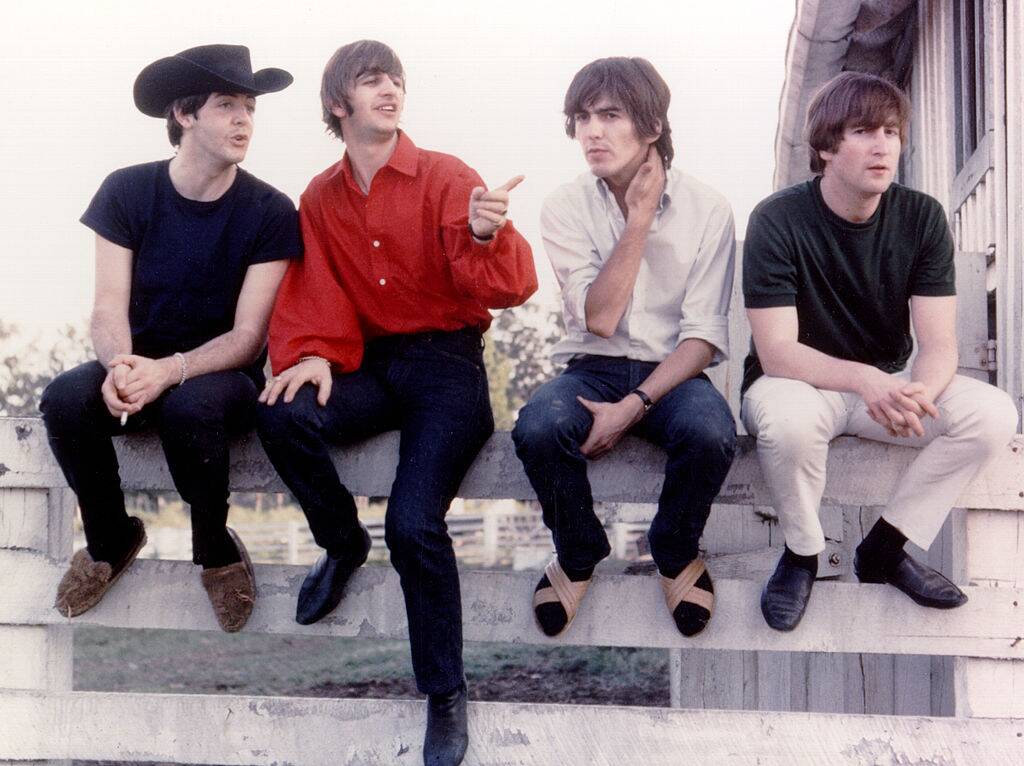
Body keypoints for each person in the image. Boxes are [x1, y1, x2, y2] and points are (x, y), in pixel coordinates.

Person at [255, 40, 536, 766]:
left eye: (396, 80)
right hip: (369, 365)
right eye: (371, 80)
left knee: (414, 526)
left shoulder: (447, 176)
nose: (389, 90)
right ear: (337, 105)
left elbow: (509, 289)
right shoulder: (319, 197)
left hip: (448, 368)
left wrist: (484, 232)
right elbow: (313, 289)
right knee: (280, 411)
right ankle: (341, 543)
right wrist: (313, 350)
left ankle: (444, 695)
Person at [741, 71, 1019, 632]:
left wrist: (922, 390)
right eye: (864, 130)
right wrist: (868, 380)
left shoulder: (920, 216)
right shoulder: (777, 218)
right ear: (825, 146)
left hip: (885, 387)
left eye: (891, 132)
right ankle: (802, 553)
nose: (882, 145)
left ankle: (885, 549)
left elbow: (939, 343)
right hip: (799, 385)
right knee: (787, 423)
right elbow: (777, 354)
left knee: (993, 415)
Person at [40, 44, 300, 633]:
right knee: (64, 398)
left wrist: (170, 370)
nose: (244, 122)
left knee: (189, 406)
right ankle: (111, 538)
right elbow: (107, 308)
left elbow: (248, 336)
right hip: (138, 362)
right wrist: (119, 366)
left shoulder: (270, 210)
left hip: (220, 379)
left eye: (250, 108)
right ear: (185, 115)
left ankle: (213, 546)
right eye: (227, 105)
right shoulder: (126, 191)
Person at [512, 57, 737, 641]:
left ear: (652, 126)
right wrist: (637, 221)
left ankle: (673, 547)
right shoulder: (566, 205)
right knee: (538, 427)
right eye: (582, 117)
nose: (591, 131)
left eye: (610, 115)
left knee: (712, 433)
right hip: (592, 367)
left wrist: (635, 404)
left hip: (674, 373)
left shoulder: (707, 208)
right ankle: (579, 549)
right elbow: (602, 318)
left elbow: (703, 337)